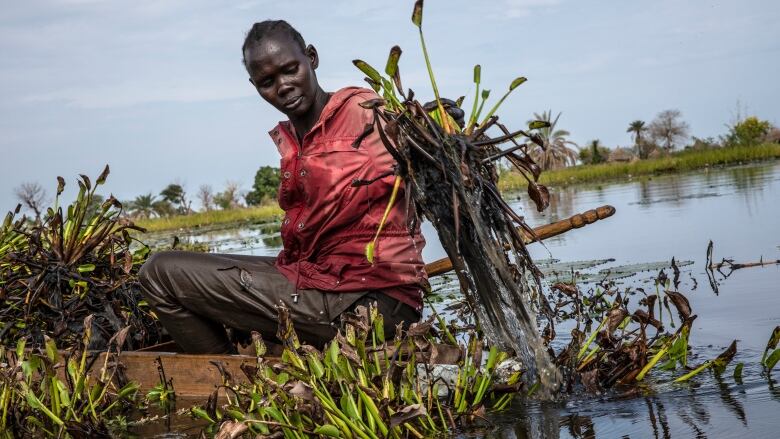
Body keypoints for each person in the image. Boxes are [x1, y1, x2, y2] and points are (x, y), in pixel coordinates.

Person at [138, 20, 427, 354]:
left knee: (158, 274)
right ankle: (246, 361)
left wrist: (431, 126)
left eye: (291, 70)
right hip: (322, 282)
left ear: (312, 58)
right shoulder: (292, 137)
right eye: (268, 82)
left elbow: (414, 139)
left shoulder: (363, 113)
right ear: (255, 85)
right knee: (166, 268)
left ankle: (230, 381)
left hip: (370, 303)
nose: (284, 86)